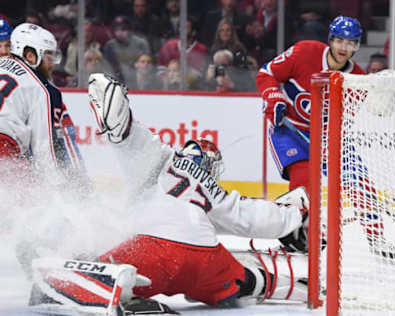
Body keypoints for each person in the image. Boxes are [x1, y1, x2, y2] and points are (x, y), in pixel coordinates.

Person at [27, 72, 311, 315]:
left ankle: (118, 291)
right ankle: (287, 286)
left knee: (78, 276)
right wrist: (297, 212)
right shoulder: (212, 189)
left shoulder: (162, 159)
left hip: (155, 249)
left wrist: (115, 111)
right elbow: (252, 218)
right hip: (206, 257)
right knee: (237, 280)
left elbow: (128, 136)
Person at [257, 16, 395, 260]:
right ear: (331, 40)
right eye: (340, 41)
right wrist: (273, 97)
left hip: (326, 137)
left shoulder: (355, 76)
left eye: (351, 43)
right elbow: (266, 74)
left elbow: (346, 116)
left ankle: (377, 238)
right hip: (289, 129)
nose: (345, 48)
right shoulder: (304, 52)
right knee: (304, 183)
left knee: (360, 182)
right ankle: (301, 233)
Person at [0, 23, 89, 190]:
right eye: (49, 56)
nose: (53, 64)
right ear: (30, 56)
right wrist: (65, 189)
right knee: (32, 205)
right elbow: (44, 150)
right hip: (4, 148)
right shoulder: (42, 88)